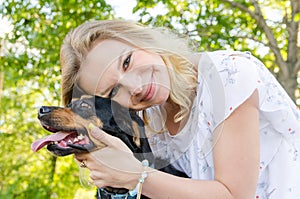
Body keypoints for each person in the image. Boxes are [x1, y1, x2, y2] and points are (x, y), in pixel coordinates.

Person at [60, 19, 300, 199]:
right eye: (113, 92)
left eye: (127, 61)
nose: (135, 87)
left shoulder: (227, 74)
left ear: (140, 38)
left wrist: (135, 175)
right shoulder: (151, 119)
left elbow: (233, 194)